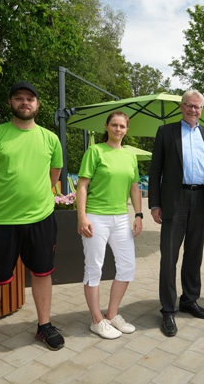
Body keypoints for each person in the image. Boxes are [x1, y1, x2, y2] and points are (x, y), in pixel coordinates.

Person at [0, 81, 65, 375]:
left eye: (30, 99)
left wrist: (34, 197)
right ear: (10, 103)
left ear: (38, 105)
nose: (25, 102)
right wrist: (4, 199)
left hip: (41, 220)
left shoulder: (50, 139)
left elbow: (54, 175)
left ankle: (44, 325)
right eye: (19, 98)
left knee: (42, 274)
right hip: (0, 222)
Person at [148, 89, 204, 337]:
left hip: (202, 199)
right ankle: (168, 309)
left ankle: (189, 300)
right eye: (189, 106)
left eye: (198, 107)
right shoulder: (166, 132)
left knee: (195, 254)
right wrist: (155, 204)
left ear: (202, 109)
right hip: (174, 199)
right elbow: (155, 170)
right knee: (169, 256)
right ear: (181, 107)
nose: (193, 110)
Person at [76, 111, 143, 340]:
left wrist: (139, 214)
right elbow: (82, 185)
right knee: (94, 268)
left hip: (121, 218)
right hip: (96, 216)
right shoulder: (95, 151)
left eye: (122, 126)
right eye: (114, 125)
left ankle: (112, 314)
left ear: (127, 129)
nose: (118, 129)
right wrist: (81, 216)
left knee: (127, 267)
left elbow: (134, 187)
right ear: (106, 126)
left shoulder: (130, 156)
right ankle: (96, 320)